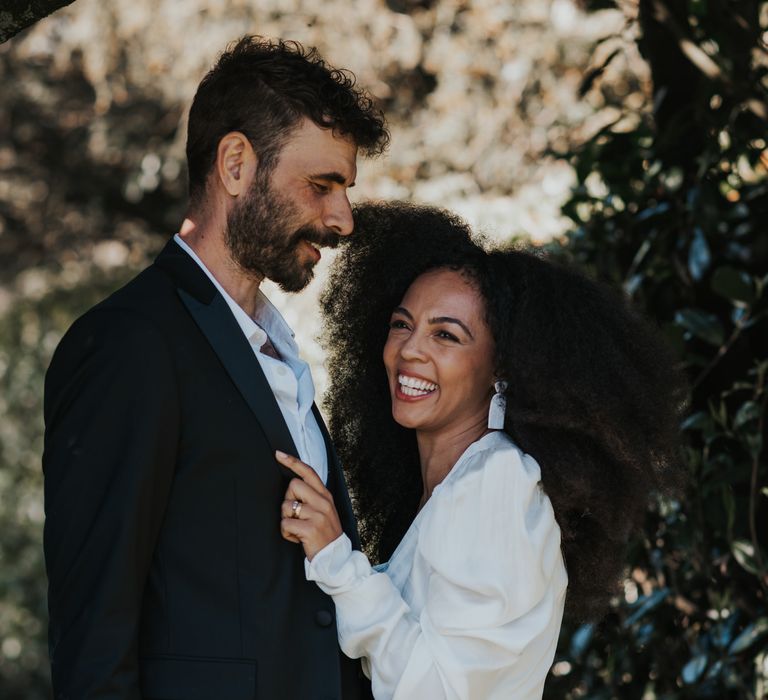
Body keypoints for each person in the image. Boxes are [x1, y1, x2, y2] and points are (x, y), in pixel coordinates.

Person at [42, 36, 388, 700]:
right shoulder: (127, 345)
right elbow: (94, 636)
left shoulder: (278, 349)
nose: (342, 219)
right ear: (236, 164)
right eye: (322, 185)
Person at [275, 202, 687, 699]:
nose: (409, 350)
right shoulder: (454, 485)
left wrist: (338, 561)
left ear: (501, 371)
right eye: (401, 324)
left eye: (446, 334)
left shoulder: (498, 485)